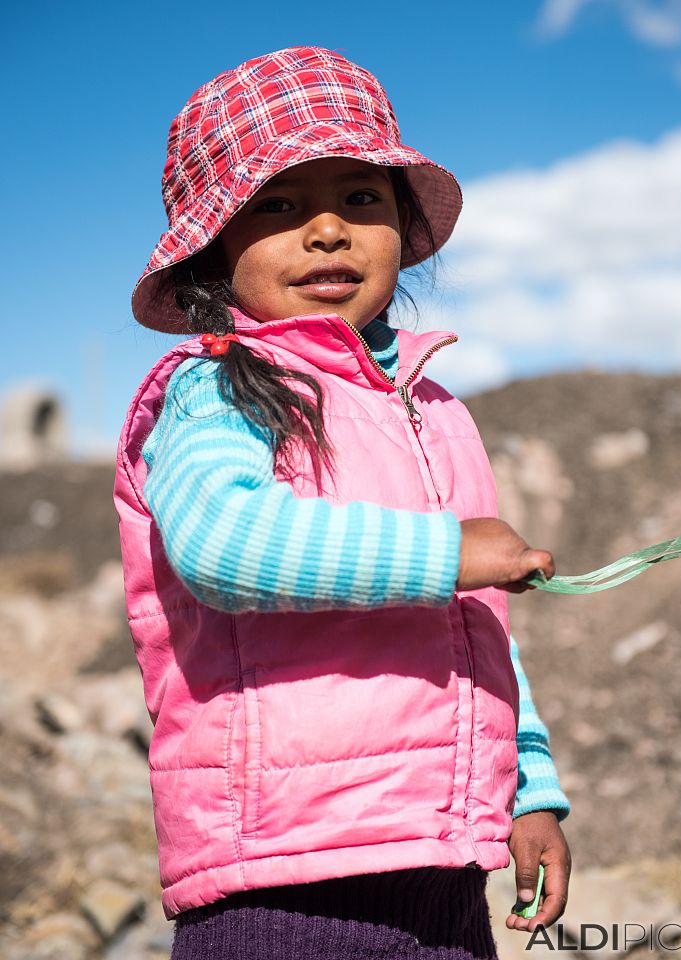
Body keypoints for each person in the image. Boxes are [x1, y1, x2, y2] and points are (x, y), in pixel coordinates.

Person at [114, 46, 571, 960]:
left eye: (360, 199)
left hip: (442, 860)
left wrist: (530, 793)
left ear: (403, 225)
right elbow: (223, 544)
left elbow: (476, 628)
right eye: (278, 207)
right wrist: (448, 550)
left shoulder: (435, 412)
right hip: (280, 876)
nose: (329, 231)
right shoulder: (214, 390)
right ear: (214, 245)